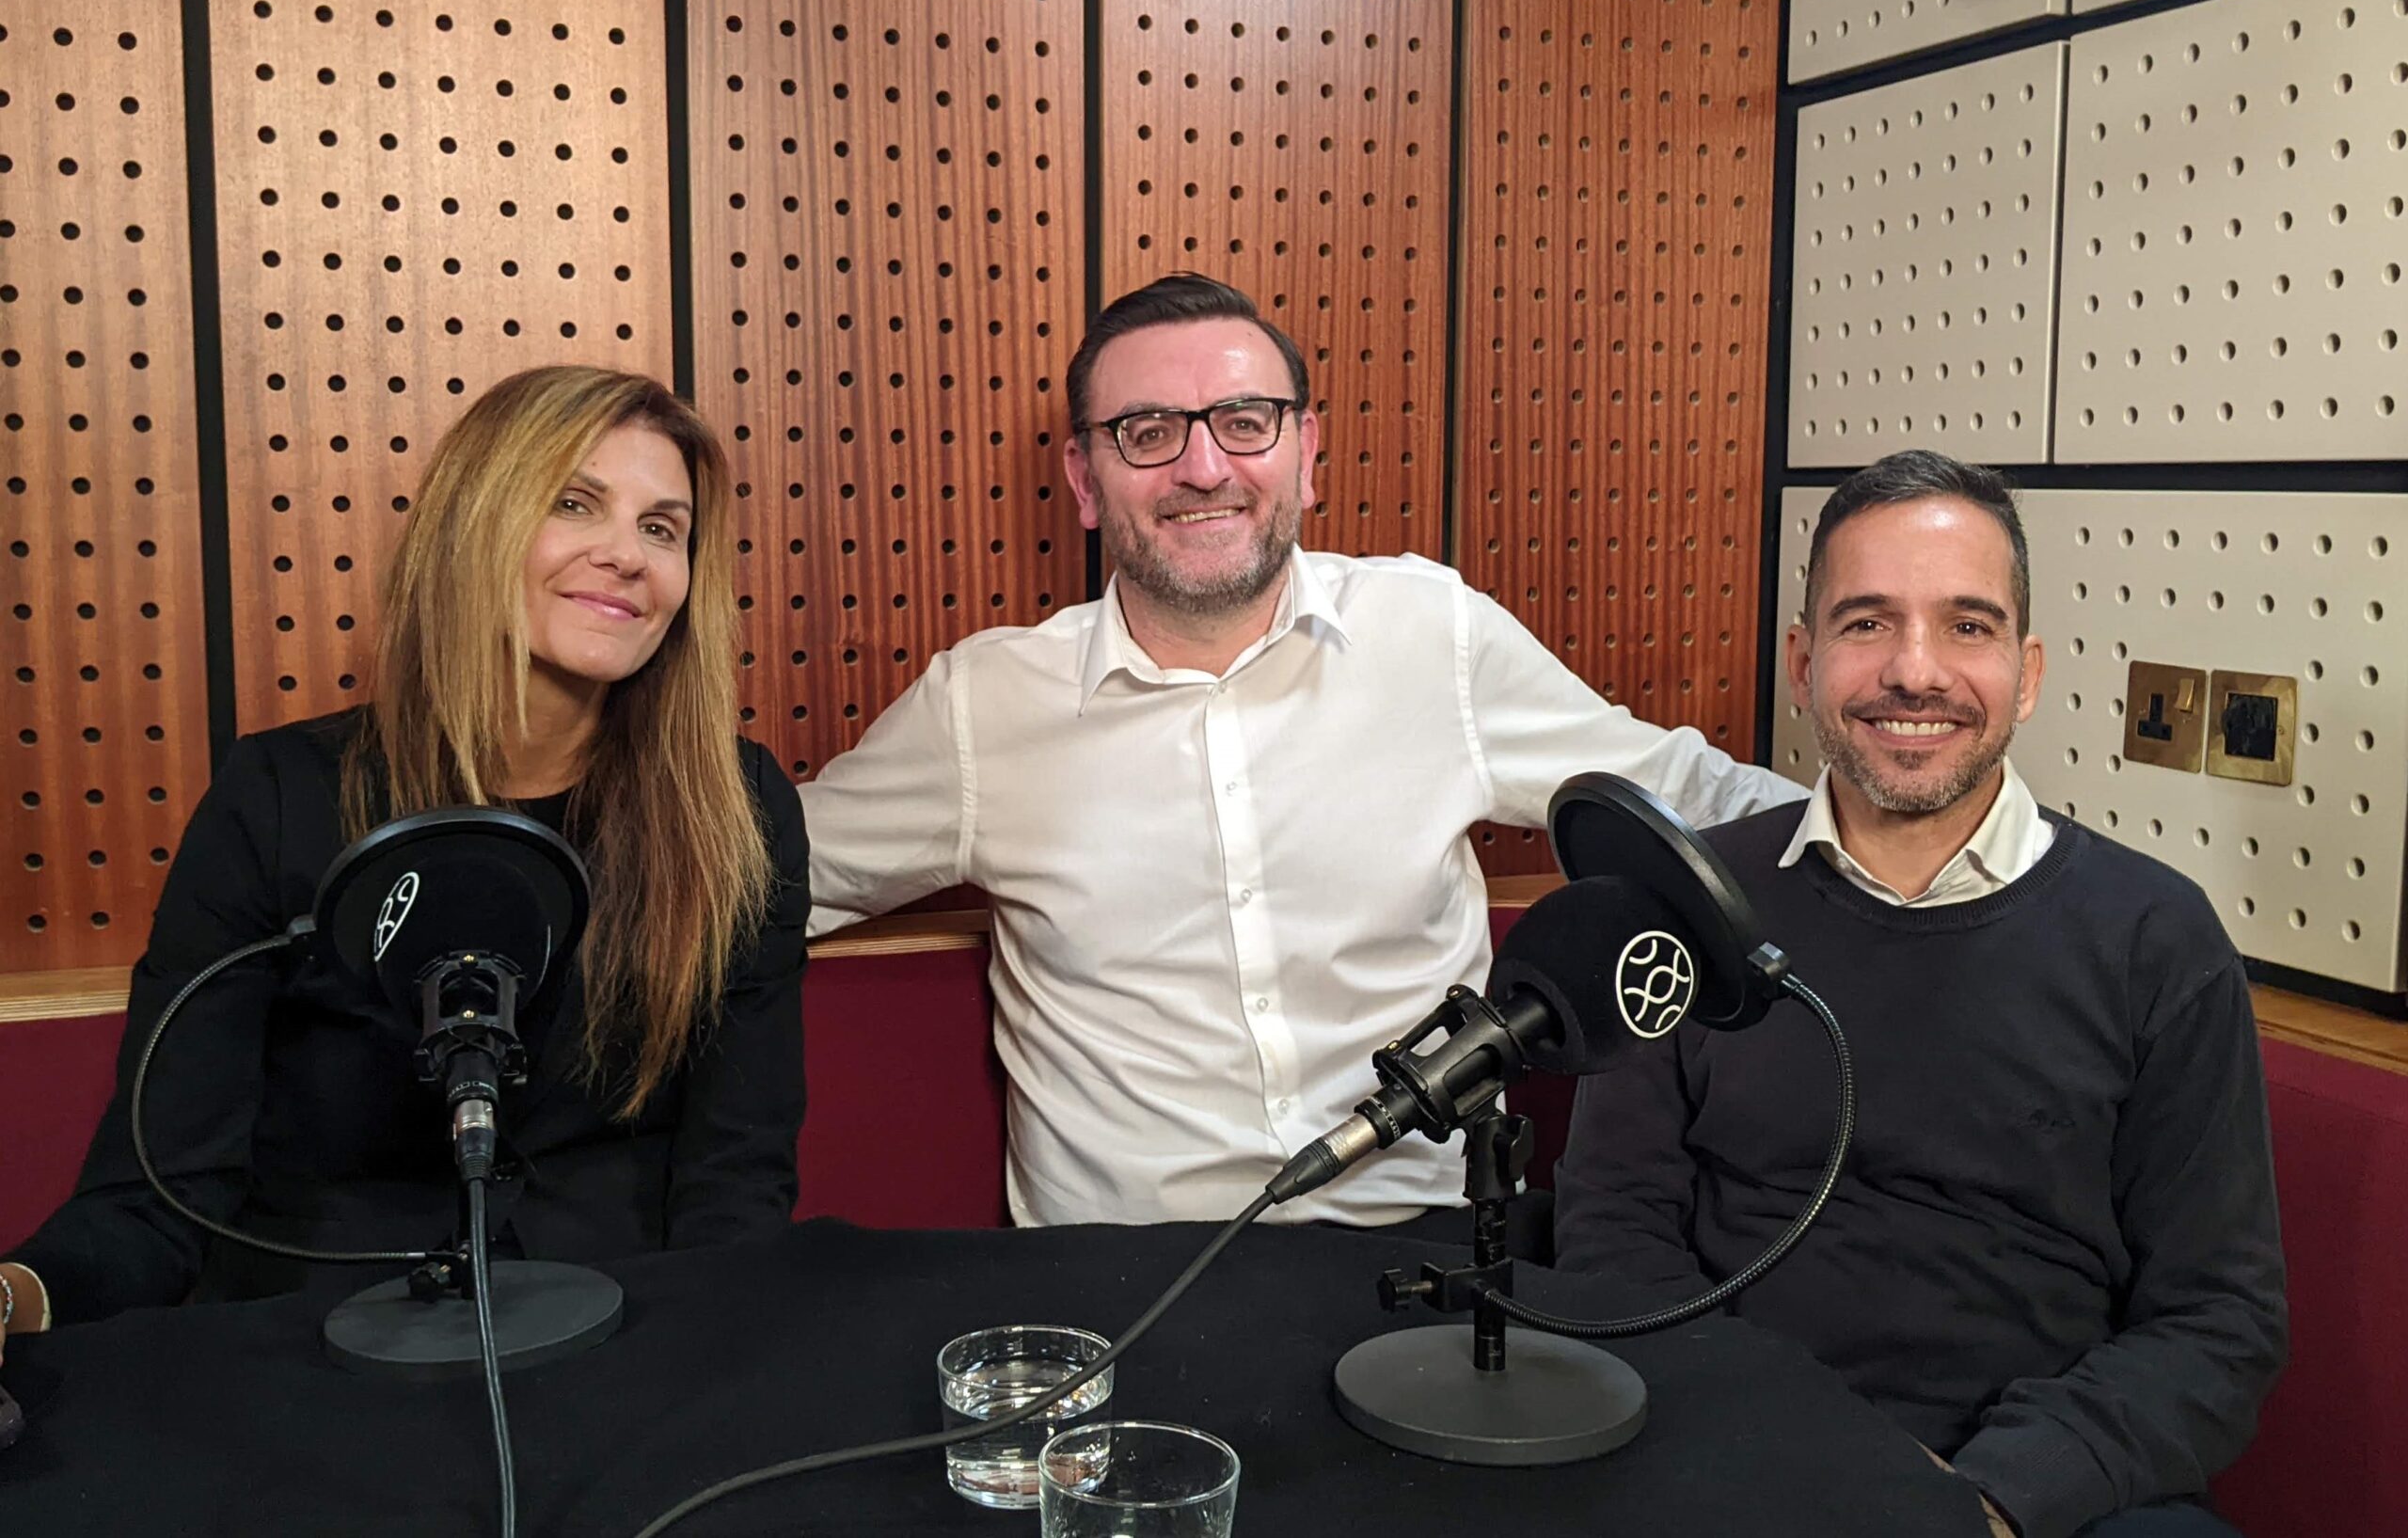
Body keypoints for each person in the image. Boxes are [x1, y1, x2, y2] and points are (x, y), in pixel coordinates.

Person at [800, 273, 1802, 1229]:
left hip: (1425, 1239)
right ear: (1084, 480)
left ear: (1306, 452)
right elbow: (752, 881)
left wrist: (1923, 830)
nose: (1203, 469)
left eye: (1246, 423)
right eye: (1147, 432)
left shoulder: (1433, 634)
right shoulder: (984, 704)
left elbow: (1696, 800)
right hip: (1116, 1267)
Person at [0, 367, 809, 1356]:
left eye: (662, 528)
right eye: (573, 503)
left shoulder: (739, 808)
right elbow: (158, 1195)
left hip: (625, 1335)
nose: (626, 556)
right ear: (473, 532)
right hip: (320, 1353)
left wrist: (697, 1377)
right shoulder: (280, 796)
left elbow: (738, 1178)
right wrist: (15, 1300)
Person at [1553, 450, 2286, 1538]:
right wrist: (1760, 1446)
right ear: (1802, 661)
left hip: (2042, 1499)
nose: (1914, 670)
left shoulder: (2155, 939)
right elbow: (1615, 1231)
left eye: (1967, 627)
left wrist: (1983, 1501)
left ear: (2027, 673)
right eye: (1864, 624)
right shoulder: (1684, 904)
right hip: (1723, 1453)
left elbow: (2217, 1319)